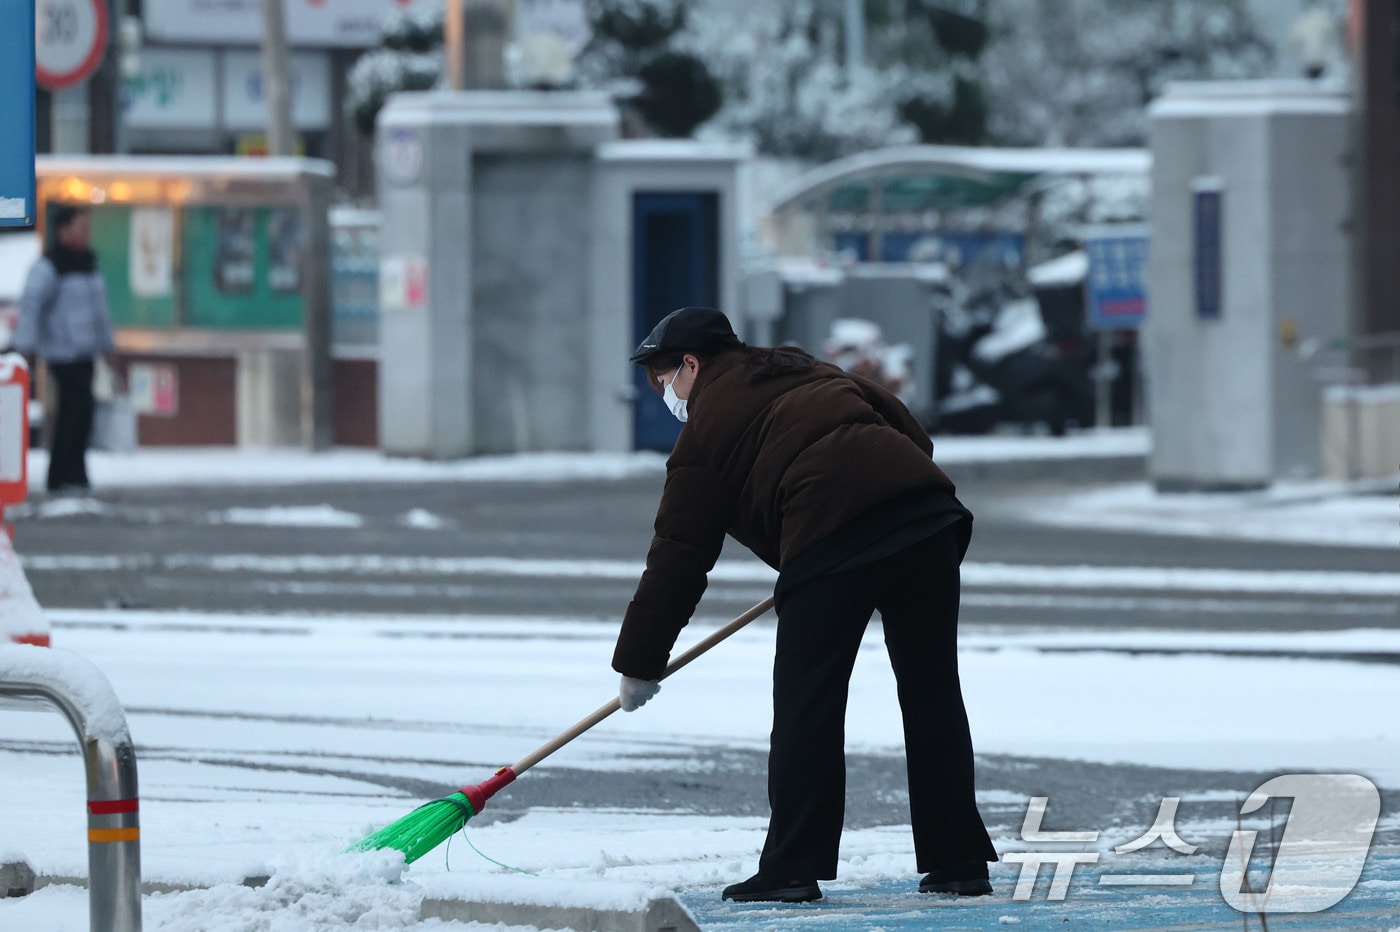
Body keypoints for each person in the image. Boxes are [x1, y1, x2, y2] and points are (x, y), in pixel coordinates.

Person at [614, 306, 998, 903]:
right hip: (927, 522)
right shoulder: (809, 371)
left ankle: (792, 867)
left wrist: (639, 661)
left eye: (666, 380)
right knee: (932, 693)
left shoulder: (704, 432)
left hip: (833, 536)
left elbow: (679, 555)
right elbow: (910, 435)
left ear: (691, 364)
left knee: (807, 700)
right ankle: (959, 860)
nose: (668, 394)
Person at [15, 205, 117, 494]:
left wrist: (107, 346)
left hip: (86, 352)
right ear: (63, 230)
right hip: (62, 352)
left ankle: (76, 474)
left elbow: (100, 312)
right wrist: (26, 347)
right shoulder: (50, 266)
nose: (86, 234)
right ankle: (61, 477)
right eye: (80, 227)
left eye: (87, 228)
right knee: (74, 410)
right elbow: (31, 307)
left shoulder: (88, 263)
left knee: (83, 412)